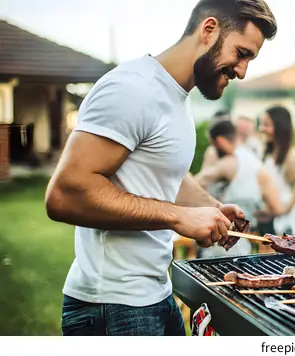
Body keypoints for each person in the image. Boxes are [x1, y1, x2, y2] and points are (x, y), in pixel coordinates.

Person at [44, 0, 277, 336]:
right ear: (209, 30)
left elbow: (166, 171)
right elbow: (65, 195)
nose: (242, 71)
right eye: (241, 53)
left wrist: (209, 207)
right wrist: (179, 217)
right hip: (113, 305)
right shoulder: (132, 89)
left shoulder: (176, 97)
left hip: (155, 293)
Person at [194, 120, 286, 257]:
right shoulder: (255, 162)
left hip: (219, 246)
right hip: (242, 246)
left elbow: (195, 184)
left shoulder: (227, 163)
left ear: (219, 141)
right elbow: (276, 208)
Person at [258, 106, 295, 236]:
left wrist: (283, 210)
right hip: (271, 221)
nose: (261, 129)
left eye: (266, 125)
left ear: (280, 127)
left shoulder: (291, 156)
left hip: (286, 225)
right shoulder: (270, 153)